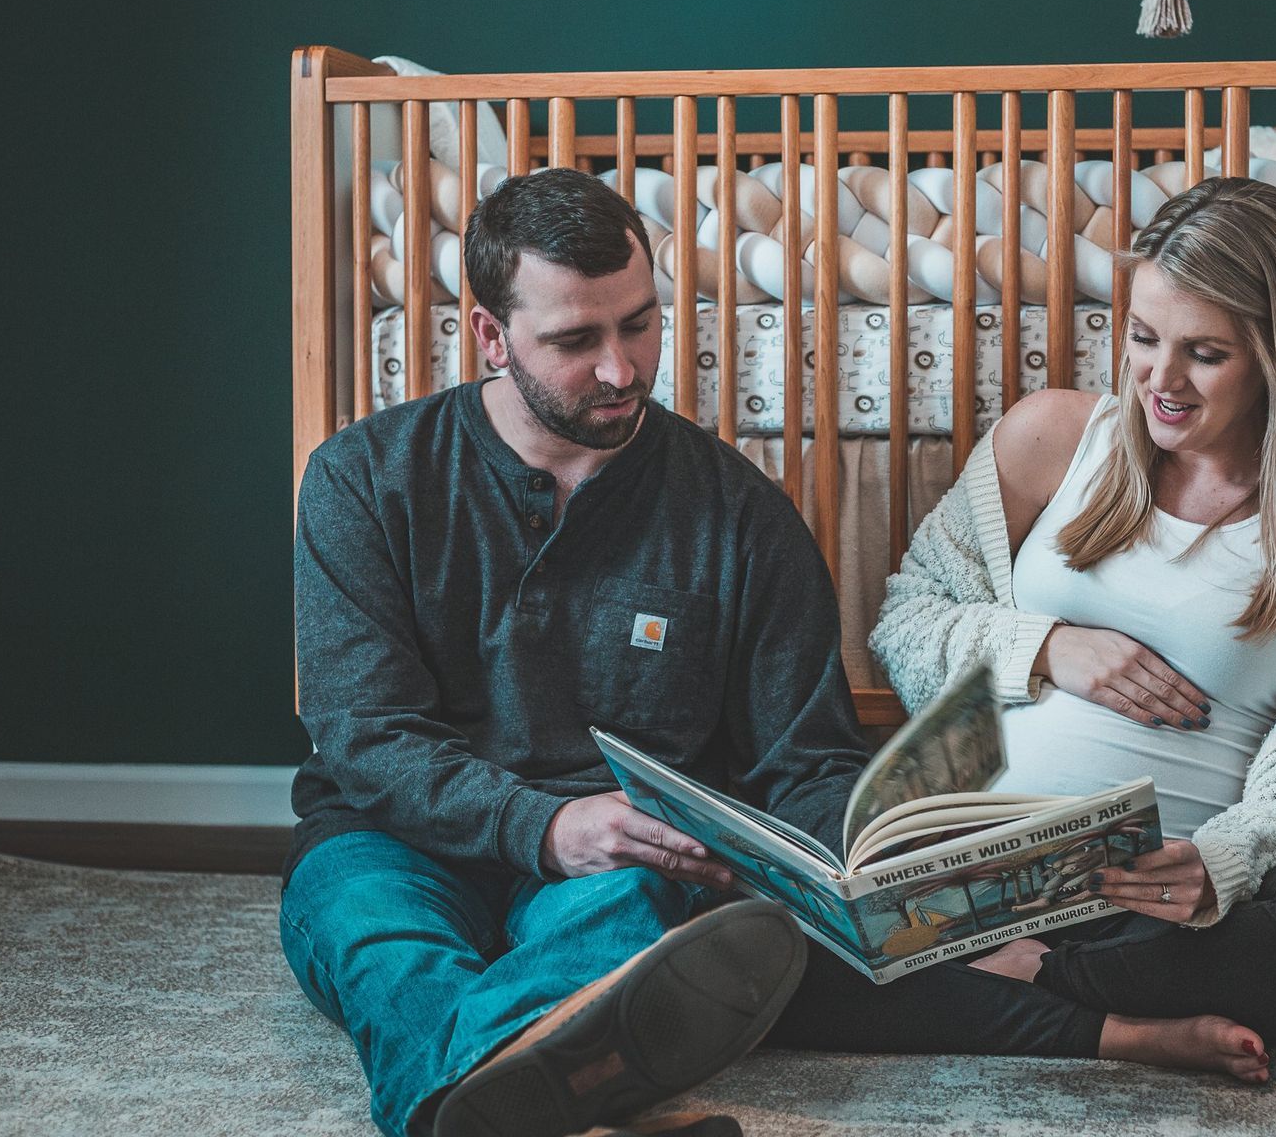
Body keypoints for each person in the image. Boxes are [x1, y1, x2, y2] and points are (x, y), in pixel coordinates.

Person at [281, 167, 870, 1137]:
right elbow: (368, 738)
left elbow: (805, 759)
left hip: (615, 870)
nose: (622, 369)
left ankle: (496, 1107)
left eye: (640, 324)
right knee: (380, 940)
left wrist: (883, 866)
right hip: (390, 839)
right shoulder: (363, 479)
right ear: (491, 336)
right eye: (575, 341)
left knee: (635, 914)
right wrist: (544, 826)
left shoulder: (739, 514)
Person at [869, 176, 1276, 1084]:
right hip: (977, 878)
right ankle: (1132, 1032)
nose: (1160, 380)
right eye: (1141, 337)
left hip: (1158, 918)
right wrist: (1047, 648)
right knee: (759, 913)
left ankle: (1032, 985)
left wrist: (1218, 867)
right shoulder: (1052, 438)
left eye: (1205, 354)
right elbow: (909, 620)